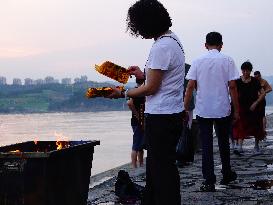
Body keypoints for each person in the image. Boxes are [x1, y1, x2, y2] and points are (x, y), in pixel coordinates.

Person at [108, 0, 185, 204]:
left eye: (138, 25)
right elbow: (159, 79)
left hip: (162, 117)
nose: (137, 31)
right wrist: (142, 75)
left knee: (162, 172)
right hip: (170, 114)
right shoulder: (171, 40)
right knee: (157, 170)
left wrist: (125, 93)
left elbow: (152, 88)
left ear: (147, 23)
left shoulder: (162, 46)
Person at [184, 31, 239, 192]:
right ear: (221, 45)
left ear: (205, 45)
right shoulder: (228, 60)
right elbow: (233, 87)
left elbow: (190, 87)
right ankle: (227, 172)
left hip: (203, 109)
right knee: (223, 142)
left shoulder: (197, 61)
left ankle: (209, 180)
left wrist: (185, 108)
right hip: (222, 108)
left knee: (207, 145)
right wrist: (236, 110)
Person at [233, 62, 266, 153]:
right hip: (241, 106)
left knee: (257, 125)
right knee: (240, 125)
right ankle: (239, 146)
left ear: (250, 71)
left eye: (247, 71)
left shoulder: (255, 81)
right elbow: (233, 93)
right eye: (243, 71)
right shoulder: (238, 81)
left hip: (254, 106)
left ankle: (256, 146)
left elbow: (263, 93)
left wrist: (256, 103)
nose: (245, 73)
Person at [127, 78, 145, 168]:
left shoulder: (138, 91)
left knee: (141, 143)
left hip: (140, 120)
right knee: (136, 144)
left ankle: (141, 163)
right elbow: (129, 103)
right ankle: (134, 165)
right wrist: (138, 116)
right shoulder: (135, 92)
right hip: (137, 121)